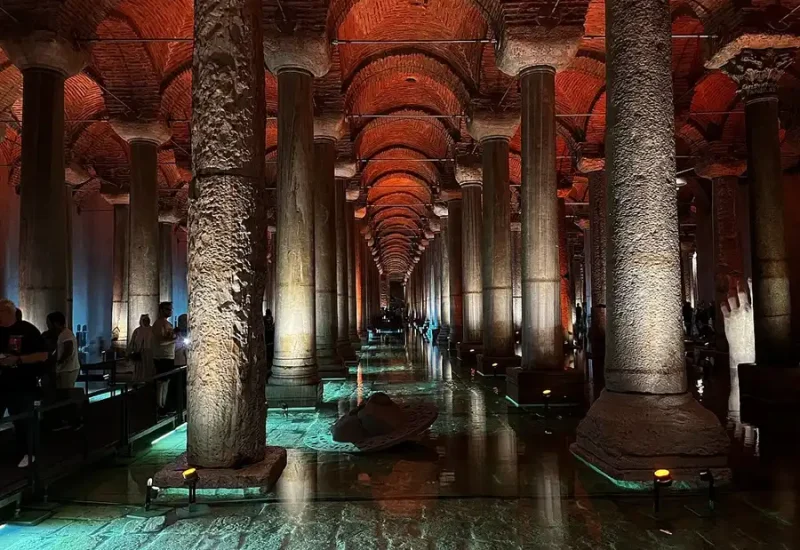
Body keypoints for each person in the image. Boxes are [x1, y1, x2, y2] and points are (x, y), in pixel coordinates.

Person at [0, 299, 49, 468]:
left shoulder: (28, 330)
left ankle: (29, 453)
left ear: (8, 313)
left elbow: (43, 355)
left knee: (24, 421)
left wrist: (19, 359)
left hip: (23, 385)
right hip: (2, 384)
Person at [151, 302, 176, 413]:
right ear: (161, 310)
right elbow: (160, 341)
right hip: (162, 356)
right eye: (167, 309)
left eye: (170, 309)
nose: (170, 311)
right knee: (161, 382)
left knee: (166, 381)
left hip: (168, 355)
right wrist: (174, 339)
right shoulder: (158, 324)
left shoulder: (166, 323)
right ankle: (159, 406)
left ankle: (163, 405)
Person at [46, 312, 81, 390]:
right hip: (67, 369)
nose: (48, 325)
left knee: (66, 393)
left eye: (48, 323)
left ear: (56, 323)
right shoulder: (64, 333)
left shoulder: (65, 334)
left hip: (68, 370)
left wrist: (60, 361)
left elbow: (68, 349)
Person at [127, 314, 154, 383]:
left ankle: (148, 380)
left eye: (147, 320)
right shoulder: (137, 330)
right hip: (139, 352)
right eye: (144, 320)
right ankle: (138, 380)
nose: (146, 322)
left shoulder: (152, 330)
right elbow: (132, 342)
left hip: (150, 352)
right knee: (139, 368)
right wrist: (129, 352)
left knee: (148, 367)